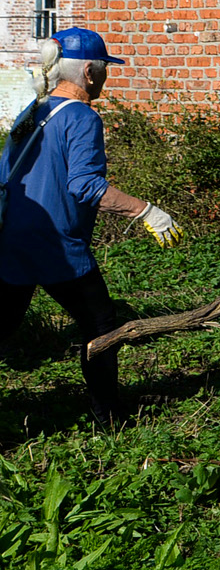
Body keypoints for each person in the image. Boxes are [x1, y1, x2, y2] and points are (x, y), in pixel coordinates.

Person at [0, 27, 183, 426]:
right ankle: (110, 417)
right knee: (101, 326)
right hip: (57, 247)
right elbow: (84, 185)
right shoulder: (82, 116)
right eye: (104, 68)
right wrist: (145, 211)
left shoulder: (34, 110)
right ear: (88, 72)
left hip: (13, 239)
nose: (106, 76)